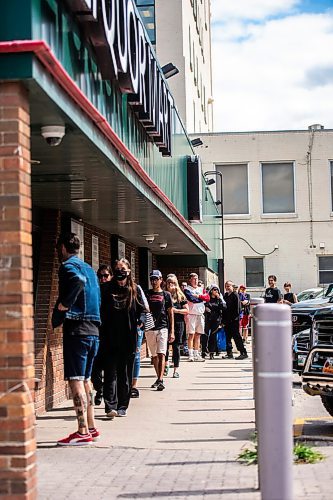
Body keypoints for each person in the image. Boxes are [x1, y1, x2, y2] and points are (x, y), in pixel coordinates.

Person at [52, 232, 101, 446]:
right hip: (93, 329)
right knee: (86, 380)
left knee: (76, 380)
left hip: (77, 329)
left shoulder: (69, 267)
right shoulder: (89, 268)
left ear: (63, 248)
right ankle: (90, 426)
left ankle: (82, 431)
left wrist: (64, 305)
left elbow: (77, 281)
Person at [100, 258, 146, 418]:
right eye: (117, 270)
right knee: (110, 373)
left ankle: (122, 405)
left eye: (123, 270)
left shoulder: (135, 290)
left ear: (128, 272)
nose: (120, 273)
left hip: (128, 337)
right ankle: (110, 406)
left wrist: (140, 322)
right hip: (109, 336)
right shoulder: (106, 289)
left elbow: (142, 310)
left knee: (125, 374)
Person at [145, 270, 174, 391]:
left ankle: (161, 379)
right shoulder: (147, 294)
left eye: (156, 279)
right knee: (154, 356)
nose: (154, 281)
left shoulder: (166, 295)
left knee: (162, 353)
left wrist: (172, 331)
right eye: (152, 279)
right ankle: (158, 378)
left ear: (161, 280)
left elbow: (170, 313)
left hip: (163, 327)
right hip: (150, 328)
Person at [91, 265, 112, 406]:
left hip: (111, 335)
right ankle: (100, 389)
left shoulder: (115, 292)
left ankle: (109, 398)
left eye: (105, 275)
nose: (103, 279)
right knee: (95, 368)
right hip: (96, 333)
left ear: (111, 276)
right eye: (100, 276)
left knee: (110, 368)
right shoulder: (95, 291)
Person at [165, 275, 189, 378]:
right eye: (169, 283)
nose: (171, 285)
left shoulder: (181, 296)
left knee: (176, 347)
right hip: (166, 323)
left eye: (173, 283)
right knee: (164, 347)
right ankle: (165, 366)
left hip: (178, 323)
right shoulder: (164, 295)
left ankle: (175, 369)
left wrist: (176, 310)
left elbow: (187, 310)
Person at [184, 273, 210, 361]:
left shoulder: (201, 289)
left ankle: (196, 354)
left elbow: (207, 298)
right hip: (191, 314)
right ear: (190, 280)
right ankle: (190, 354)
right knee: (191, 334)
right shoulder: (187, 289)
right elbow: (191, 299)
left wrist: (199, 296)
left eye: (196, 279)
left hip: (200, 314)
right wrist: (201, 299)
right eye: (193, 279)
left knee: (198, 334)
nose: (195, 281)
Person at [131, 284, 149, 398]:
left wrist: (141, 320)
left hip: (136, 327)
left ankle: (134, 386)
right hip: (121, 328)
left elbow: (145, 308)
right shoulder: (113, 288)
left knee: (136, 355)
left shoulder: (136, 288)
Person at [223, 280, 248, 360]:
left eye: (229, 286)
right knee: (228, 337)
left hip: (234, 320)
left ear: (232, 287)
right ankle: (229, 353)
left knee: (237, 337)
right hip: (227, 320)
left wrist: (234, 319)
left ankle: (243, 353)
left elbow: (238, 309)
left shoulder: (235, 295)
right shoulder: (226, 295)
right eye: (226, 286)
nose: (227, 287)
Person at [203, 285, 226, 359]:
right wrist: (205, 308)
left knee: (213, 336)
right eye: (214, 290)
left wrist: (219, 298)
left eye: (217, 290)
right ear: (211, 291)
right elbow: (203, 305)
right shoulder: (207, 299)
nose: (216, 291)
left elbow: (224, 307)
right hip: (208, 319)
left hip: (216, 319)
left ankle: (211, 353)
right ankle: (203, 351)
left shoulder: (219, 300)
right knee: (205, 335)